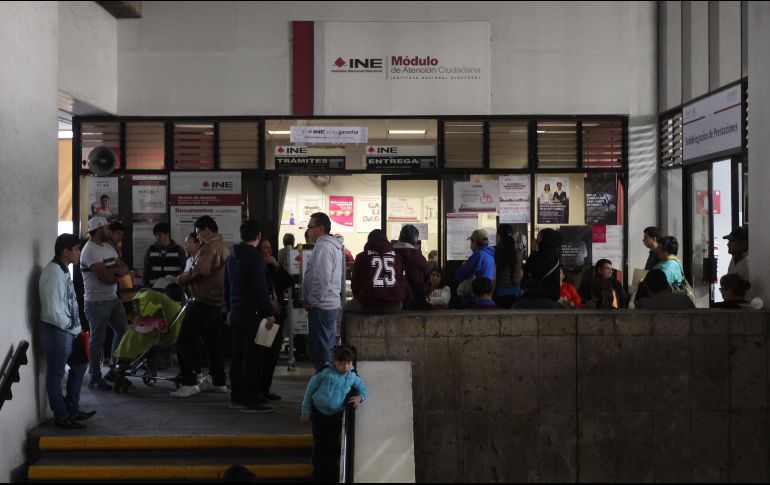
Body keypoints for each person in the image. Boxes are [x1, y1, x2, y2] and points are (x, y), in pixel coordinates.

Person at [39, 233, 96, 429]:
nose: (80, 253)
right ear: (66, 252)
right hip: (57, 331)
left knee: (80, 366)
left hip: (68, 331)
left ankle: (71, 409)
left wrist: (75, 329)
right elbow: (52, 310)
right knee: (55, 375)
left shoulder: (62, 270)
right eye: (77, 249)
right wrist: (71, 328)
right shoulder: (53, 273)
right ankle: (61, 416)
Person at [173, 215, 229, 398]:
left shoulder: (210, 247)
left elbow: (201, 270)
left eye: (198, 232)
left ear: (207, 230)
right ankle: (218, 381)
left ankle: (189, 383)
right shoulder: (222, 246)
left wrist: (182, 279)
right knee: (214, 345)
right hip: (215, 303)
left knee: (184, 343)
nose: (197, 237)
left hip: (201, 302)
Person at [223, 221, 276, 413]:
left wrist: (229, 310)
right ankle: (250, 400)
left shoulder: (232, 256)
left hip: (236, 313)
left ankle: (236, 397)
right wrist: (268, 313)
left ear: (241, 234)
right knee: (253, 358)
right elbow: (260, 289)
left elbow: (227, 286)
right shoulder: (254, 258)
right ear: (259, 236)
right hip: (252, 315)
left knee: (237, 357)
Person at [301, 346, 368, 483]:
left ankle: (331, 476)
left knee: (332, 448)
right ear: (334, 361)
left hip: (335, 417)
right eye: (342, 363)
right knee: (320, 447)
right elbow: (310, 390)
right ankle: (318, 476)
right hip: (319, 415)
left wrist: (360, 397)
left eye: (349, 363)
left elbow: (363, 389)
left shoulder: (352, 376)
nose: (345, 367)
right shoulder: (324, 372)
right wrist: (306, 411)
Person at [79, 217, 129, 390]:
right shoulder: (90, 251)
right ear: (99, 229)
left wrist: (111, 271)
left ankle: (113, 369)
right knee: (97, 340)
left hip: (113, 299)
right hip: (96, 303)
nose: (109, 231)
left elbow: (125, 269)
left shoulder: (108, 247)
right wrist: (114, 272)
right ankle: (94, 377)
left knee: (123, 332)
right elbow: (107, 279)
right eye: (107, 227)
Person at [302, 212, 343, 371]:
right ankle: (327, 386)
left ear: (321, 228)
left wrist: (312, 300)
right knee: (327, 348)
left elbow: (322, 279)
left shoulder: (323, 246)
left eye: (310, 227)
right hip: (328, 304)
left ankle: (325, 389)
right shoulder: (331, 245)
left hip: (321, 306)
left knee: (321, 353)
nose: (308, 231)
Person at [257, 237, 293, 402]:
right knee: (263, 354)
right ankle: (259, 390)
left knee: (273, 355)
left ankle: (265, 388)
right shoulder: (257, 268)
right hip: (265, 317)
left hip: (278, 315)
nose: (267, 251)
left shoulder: (273, 268)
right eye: (264, 248)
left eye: (269, 248)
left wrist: (277, 266)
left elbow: (289, 282)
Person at [345, 229, 407, 314]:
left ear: (369, 241)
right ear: (386, 240)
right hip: (393, 306)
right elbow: (402, 282)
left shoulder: (361, 257)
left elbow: (355, 284)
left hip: (367, 304)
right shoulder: (398, 257)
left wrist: (362, 297)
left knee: (345, 307)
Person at [393, 224, 430, 309]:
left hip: (393, 300)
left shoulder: (390, 253)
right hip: (414, 303)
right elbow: (426, 277)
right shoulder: (418, 257)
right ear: (415, 240)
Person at [455, 229, 496, 306]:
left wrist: (463, 266)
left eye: (471, 242)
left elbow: (460, 275)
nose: (470, 246)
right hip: (486, 295)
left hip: (475, 297)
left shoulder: (477, 255)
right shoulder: (490, 256)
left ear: (475, 242)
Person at [143, 222, 186, 288]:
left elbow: (184, 271)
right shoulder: (150, 250)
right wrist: (146, 286)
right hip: (154, 290)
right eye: (156, 235)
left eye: (160, 235)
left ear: (168, 234)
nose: (157, 237)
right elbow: (146, 271)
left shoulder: (179, 250)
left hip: (173, 290)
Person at [524, 228, 562, 301]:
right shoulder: (552, 252)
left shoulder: (547, 254)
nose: (536, 242)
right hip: (547, 294)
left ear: (545, 240)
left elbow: (533, 270)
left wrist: (534, 250)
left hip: (545, 295)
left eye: (538, 239)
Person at [493, 224, 523, 308]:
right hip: (515, 290)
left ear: (499, 236)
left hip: (499, 290)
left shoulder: (495, 251)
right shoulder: (519, 252)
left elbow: (494, 275)